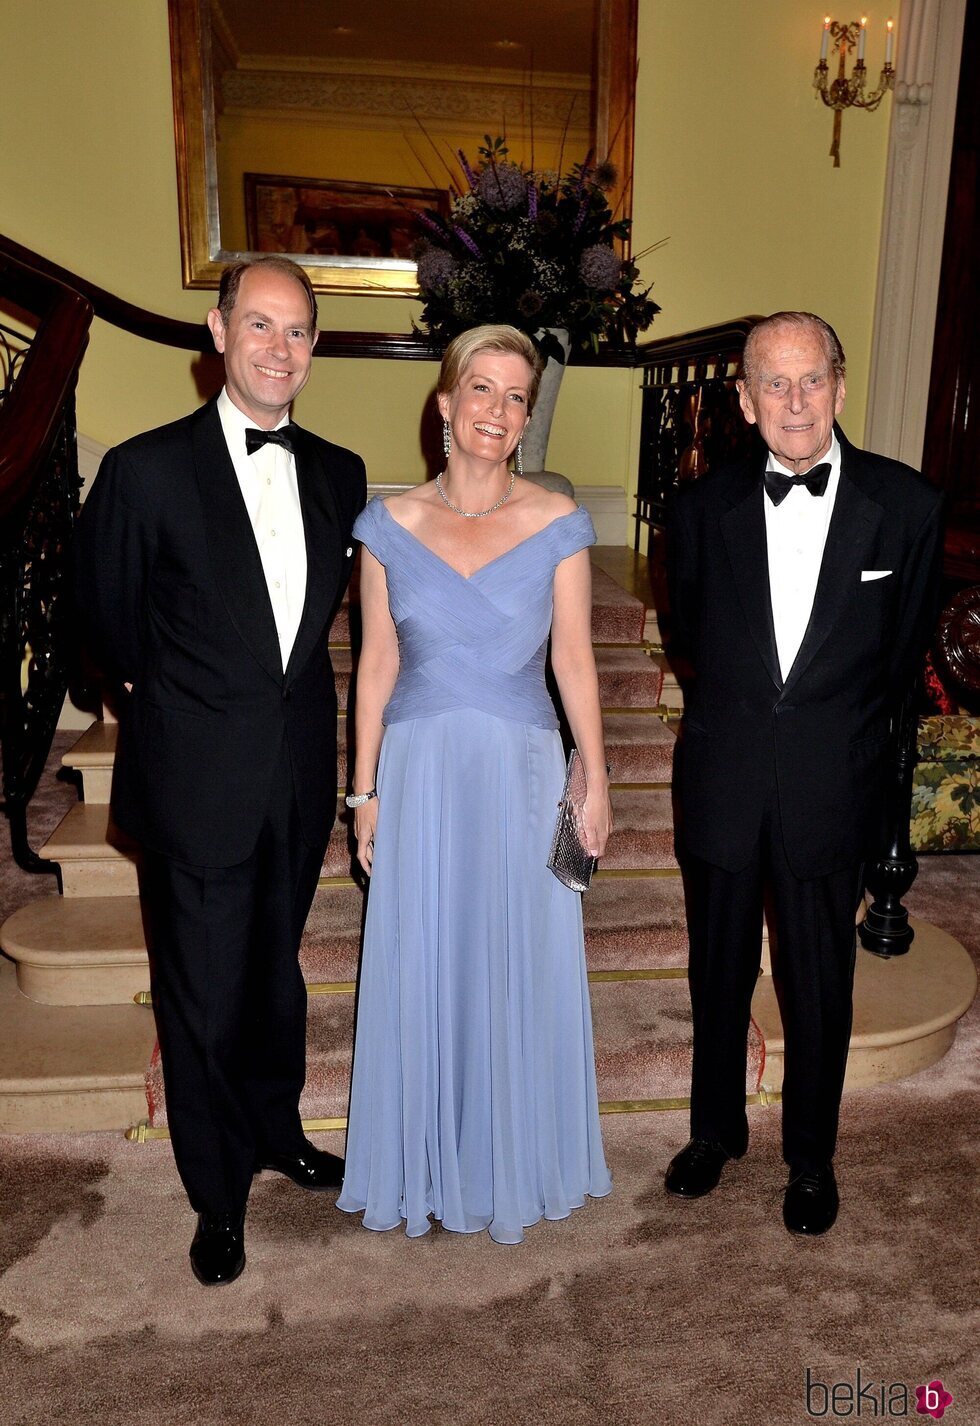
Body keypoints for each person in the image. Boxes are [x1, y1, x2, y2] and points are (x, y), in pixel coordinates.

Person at [75, 256, 366, 1284]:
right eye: (260, 326)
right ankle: (217, 1192)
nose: (279, 349)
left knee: (272, 977)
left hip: (294, 771)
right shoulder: (145, 470)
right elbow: (102, 623)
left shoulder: (340, 472)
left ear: (313, 348)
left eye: (297, 332)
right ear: (216, 331)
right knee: (199, 991)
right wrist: (178, 706)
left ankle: (276, 1128)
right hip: (195, 772)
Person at [664, 311, 942, 1234]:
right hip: (725, 777)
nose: (794, 400)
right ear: (743, 400)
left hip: (834, 785)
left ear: (841, 384)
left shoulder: (906, 508)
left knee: (821, 982)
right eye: (772, 384)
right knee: (718, 969)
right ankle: (716, 1132)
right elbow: (691, 642)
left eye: (810, 378)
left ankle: (811, 1158)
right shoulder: (697, 512)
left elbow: (900, 672)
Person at [336, 324, 613, 1243]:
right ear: (446, 403)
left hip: (521, 768)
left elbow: (573, 660)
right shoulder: (385, 525)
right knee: (427, 955)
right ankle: (426, 1156)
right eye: (481, 390)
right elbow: (374, 666)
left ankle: (511, 1154)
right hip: (419, 771)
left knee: (516, 960)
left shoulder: (559, 522)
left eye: (515, 397)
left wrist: (598, 774)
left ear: (526, 418)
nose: (497, 411)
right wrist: (364, 791)